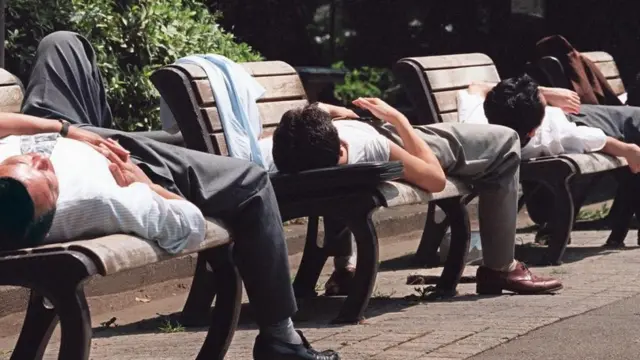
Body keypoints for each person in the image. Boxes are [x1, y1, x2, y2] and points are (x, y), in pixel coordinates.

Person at [0, 31, 340, 360]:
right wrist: (144, 183)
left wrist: (61, 128)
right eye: (47, 176)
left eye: (22, 164)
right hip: (121, 159)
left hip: (60, 128)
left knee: (62, 43)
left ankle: (114, 134)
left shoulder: (23, 186)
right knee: (251, 183)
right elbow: (186, 224)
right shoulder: (108, 198)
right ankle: (282, 339)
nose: (40, 161)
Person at [268, 97, 563, 296]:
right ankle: (501, 267)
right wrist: (398, 119)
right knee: (506, 139)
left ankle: (346, 267)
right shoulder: (368, 144)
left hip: (356, 142)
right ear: (341, 146)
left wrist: (328, 111)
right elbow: (434, 179)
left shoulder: (277, 151)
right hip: (412, 145)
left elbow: (313, 111)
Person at [479, 75, 640, 247]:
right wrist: (629, 150)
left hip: (573, 119)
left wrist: (544, 93)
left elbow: (477, 86)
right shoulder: (556, 136)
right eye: (544, 102)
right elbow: (599, 141)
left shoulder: (477, 122)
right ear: (534, 130)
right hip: (578, 121)